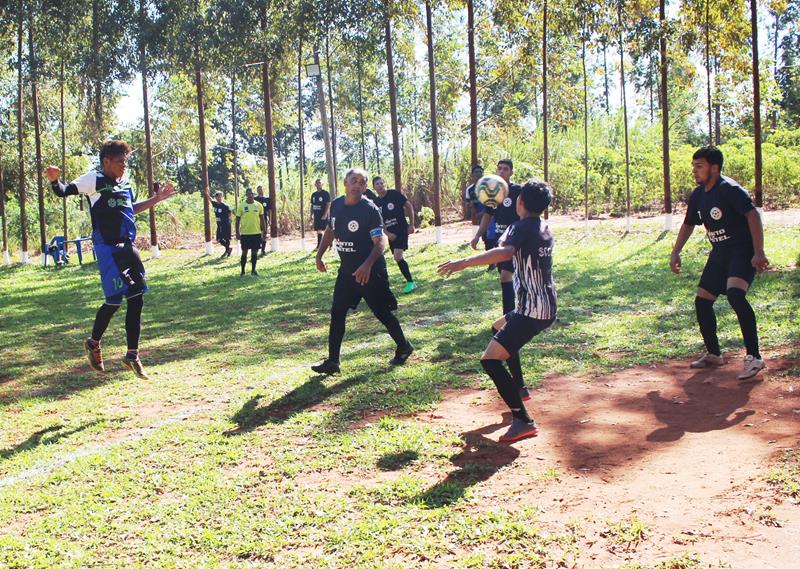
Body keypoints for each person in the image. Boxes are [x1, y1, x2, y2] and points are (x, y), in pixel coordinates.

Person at [46, 140, 176, 379]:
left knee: (137, 297)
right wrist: (54, 180)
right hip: (108, 248)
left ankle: (132, 355)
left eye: (125, 161)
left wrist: (155, 200)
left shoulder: (125, 183)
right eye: (119, 161)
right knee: (114, 301)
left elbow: (130, 208)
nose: (123, 166)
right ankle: (94, 343)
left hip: (128, 247)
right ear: (106, 161)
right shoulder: (93, 180)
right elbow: (63, 191)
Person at [438, 179, 556, 443]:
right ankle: (519, 388)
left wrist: (463, 262)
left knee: (490, 360)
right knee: (497, 326)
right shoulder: (544, 226)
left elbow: (505, 252)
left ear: (520, 202)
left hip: (531, 311)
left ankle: (522, 419)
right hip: (544, 305)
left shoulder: (522, 226)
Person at [670, 146, 769, 380]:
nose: (694, 171)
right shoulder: (698, 194)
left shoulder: (730, 190)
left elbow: (753, 215)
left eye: (699, 166)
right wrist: (675, 252)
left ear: (714, 168)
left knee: (735, 294)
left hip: (742, 251)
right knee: (702, 301)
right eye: (693, 166)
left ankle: (754, 357)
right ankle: (714, 354)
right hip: (720, 253)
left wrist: (759, 252)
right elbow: (688, 224)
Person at [312, 168, 413, 375]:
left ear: (365, 187)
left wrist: (367, 266)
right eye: (354, 180)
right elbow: (330, 231)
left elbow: (379, 244)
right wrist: (319, 255)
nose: (357, 185)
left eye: (362, 182)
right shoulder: (337, 205)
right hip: (347, 271)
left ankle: (404, 346)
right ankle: (333, 361)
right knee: (337, 312)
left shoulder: (370, 209)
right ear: (345, 183)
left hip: (370, 271)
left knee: (382, 312)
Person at [470, 158, 522, 315]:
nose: (501, 171)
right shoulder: (492, 191)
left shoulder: (518, 191)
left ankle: (508, 316)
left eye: (505, 169)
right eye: (499, 168)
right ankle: (514, 312)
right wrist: (477, 235)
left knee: (506, 275)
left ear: (511, 172)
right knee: (505, 276)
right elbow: (487, 215)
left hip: (515, 239)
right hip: (500, 240)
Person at [372, 176, 417, 293]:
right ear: (374, 187)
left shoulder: (394, 194)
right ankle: (410, 281)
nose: (380, 185)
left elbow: (409, 206)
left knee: (397, 256)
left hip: (401, 230)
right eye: (377, 184)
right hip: (391, 234)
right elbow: (379, 221)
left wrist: (411, 224)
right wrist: (387, 233)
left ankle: (411, 282)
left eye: (381, 183)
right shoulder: (376, 202)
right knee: (398, 258)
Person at [464, 164, 499, 271]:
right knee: (485, 238)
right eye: (476, 172)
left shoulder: (489, 186)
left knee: (492, 237)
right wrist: (475, 213)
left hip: (492, 216)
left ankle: (496, 261)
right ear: (472, 175)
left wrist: (485, 212)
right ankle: (491, 262)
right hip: (481, 218)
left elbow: (493, 202)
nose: (479, 174)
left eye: (480, 172)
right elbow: (470, 203)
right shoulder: (469, 190)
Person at [236, 188, 267, 276]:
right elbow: (237, 220)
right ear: (246, 195)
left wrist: (264, 231)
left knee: (254, 252)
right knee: (244, 252)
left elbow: (262, 219)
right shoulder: (241, 206)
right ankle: (242, 271)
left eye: (251, 194)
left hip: (256, 233)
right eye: (248, 194)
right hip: (245, 234)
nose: (250, 196)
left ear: (254, 195)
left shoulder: (259, 205)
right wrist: (237, 232)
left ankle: (253, 270)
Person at [204, 190, 232, 257]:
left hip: (225, 224)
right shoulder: (216, 204)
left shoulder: (225, 206)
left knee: (226, 238)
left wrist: (225, 220)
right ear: (216, 198)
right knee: (219, 239)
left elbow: (230, 214)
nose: (219, 198)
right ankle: (228, 249)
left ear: (222, 197)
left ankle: (227, 251)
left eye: (220, 197)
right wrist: (207, 194)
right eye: (217, 197)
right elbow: (211, 200)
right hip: (219, 225)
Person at [310, 178, 331, 250]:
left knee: (324, 230)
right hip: (317, 215)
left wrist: (325, 214)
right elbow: (312, 205)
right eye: (317, 183)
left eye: (320, 182)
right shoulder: (314, 194)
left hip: (323, 215)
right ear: (315, 184)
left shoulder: (325, 193)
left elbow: (328, 204)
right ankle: (319, 246)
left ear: (322, 184)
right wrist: (311, 214)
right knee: (319, 230)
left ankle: (327, 244)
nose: (318, 184)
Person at [254, 185, 271, 255]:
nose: (259, 191)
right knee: (257, 234)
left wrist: (270, 219)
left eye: (261, 189)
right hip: (256, 219)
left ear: (263, 190)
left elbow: (269, 210)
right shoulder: (255, 199)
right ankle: (258, 247)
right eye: (258, 190)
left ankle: (263, 250)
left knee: (264, 233)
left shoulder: (267, 199)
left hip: (264, 219)